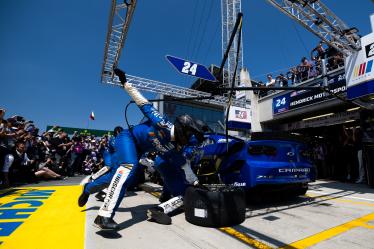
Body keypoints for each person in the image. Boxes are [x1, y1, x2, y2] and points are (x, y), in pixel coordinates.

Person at [83, 68, 204, 230]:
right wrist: (125, 82)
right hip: (128, 138)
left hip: (140, 150)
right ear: (183, 130)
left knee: (116, 176)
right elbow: (143, 103)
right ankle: (103, 216)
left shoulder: (174, 149)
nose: (189, 140)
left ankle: (88, 188)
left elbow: (184, 166)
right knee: (128, 167)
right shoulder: (162, 122)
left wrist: (195, 181)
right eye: (189, 136)